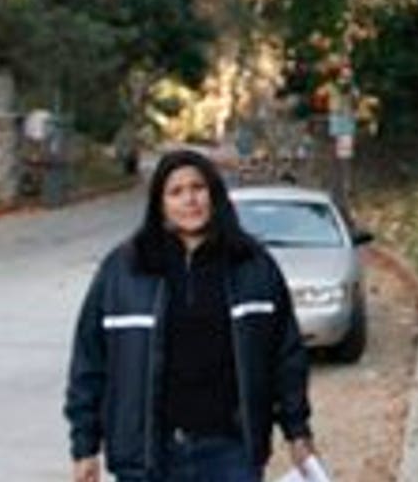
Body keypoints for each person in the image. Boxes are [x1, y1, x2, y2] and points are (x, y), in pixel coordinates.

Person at [65, 148, 317, 482]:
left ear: (214, 194)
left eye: (198, 188)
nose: (190, 200)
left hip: (230, 453)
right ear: (160, 205)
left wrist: (297, 433)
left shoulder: (253, 266)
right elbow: (89, 361)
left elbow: (287, 358)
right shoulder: (123, 270)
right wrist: (85, 447)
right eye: (176, 192)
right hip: (146, 458)